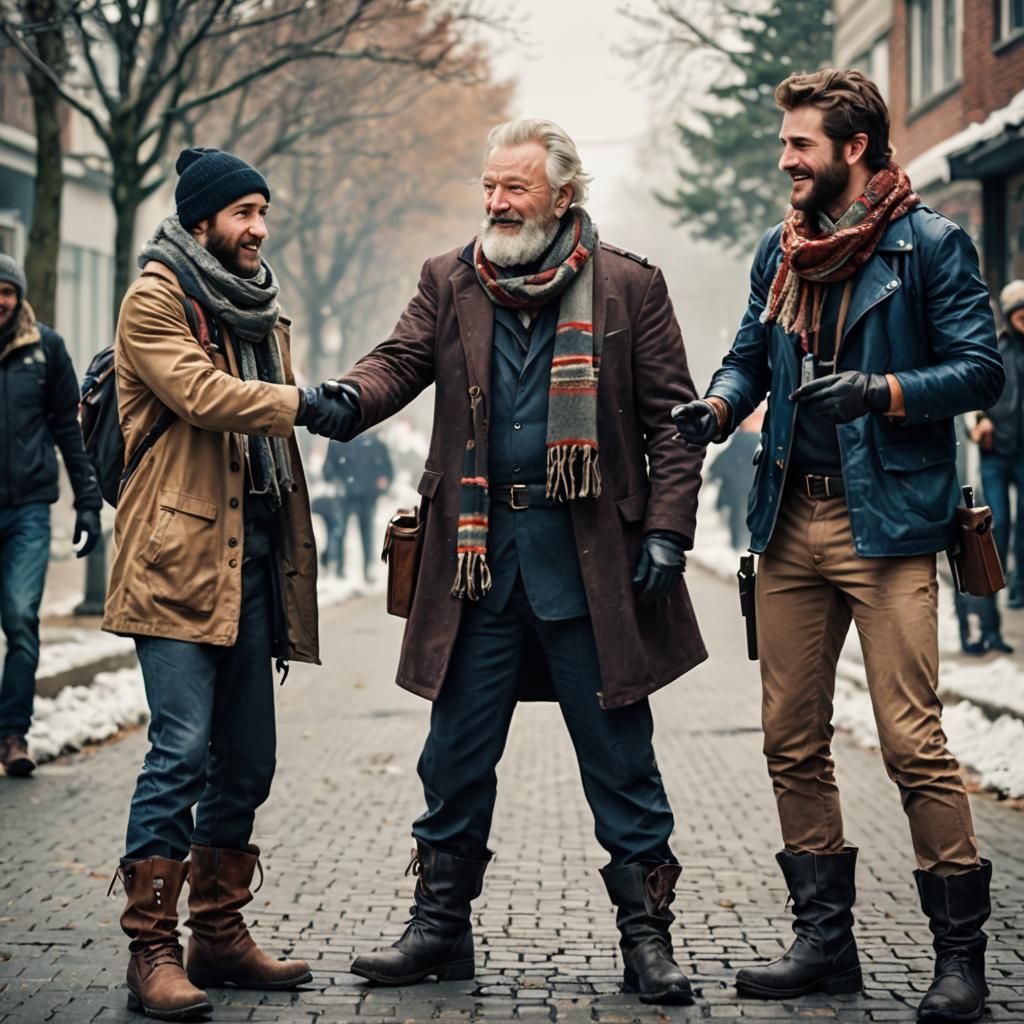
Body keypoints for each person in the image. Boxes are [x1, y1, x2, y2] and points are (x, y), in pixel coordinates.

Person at [330, 119, 707, 1006]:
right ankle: (438, 930)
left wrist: (667, 530)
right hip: (477, 566)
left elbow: (672, 420)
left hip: (592, 567)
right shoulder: (450, 277)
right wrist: (342, 397)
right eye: (489, 187)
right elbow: (398, 361)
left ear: (562, 197)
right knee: (453, 755)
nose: (496, 203)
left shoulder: (628, 287)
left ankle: (647, 937)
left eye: (515, 189)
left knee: (621, 761)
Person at [672, 70, 1002, 1024]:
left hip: (889, 525)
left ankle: (960, 960)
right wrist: (720, 403)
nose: (785, 160)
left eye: (800, 145)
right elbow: (746, 352)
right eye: (785, 145)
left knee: (913, 743)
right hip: (788, 521)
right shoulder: (783, 250)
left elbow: (982, 371)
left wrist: (883, 391)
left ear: (853, 149)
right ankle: (825, 944)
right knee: (790, 740)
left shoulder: (930, 244)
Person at [102, 147, 355, 1020]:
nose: (259, 229)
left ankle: (218, 932)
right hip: (173, 562)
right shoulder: (154, 298)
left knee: (247, 760)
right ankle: (151, 951)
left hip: (247, 562)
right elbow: (201, 395)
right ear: (202, 218)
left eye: (264, 212)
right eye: (245, 212)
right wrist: (301, 400)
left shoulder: (258, 306)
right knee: (181, 752)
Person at [0, 254, 101, 778]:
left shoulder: (46, 348)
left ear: (19, 296)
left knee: (19, 616)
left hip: (29, 511)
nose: (1, 300)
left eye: (8, 291)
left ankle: (12, 734)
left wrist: (87, 500)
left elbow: (69, 428)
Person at [970, 279, 1024, 613]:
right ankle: (990, 594)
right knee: (998, 522)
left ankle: (1019, 587)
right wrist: (978, 418)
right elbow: (972, 387)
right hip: (995, 451)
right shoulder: (995, 348)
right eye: (1019, 311)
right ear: (1008, 314)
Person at [321, 432, 394, 579]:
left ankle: (368, 569)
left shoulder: (376, 443)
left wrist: (383, 481)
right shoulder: (337, 442)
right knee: (340, 532)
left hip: (367, 496)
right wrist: (336, 481)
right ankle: (340, 570)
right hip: (345, 496)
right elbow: (328, 469)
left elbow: (387, 470)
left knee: (366, 533)